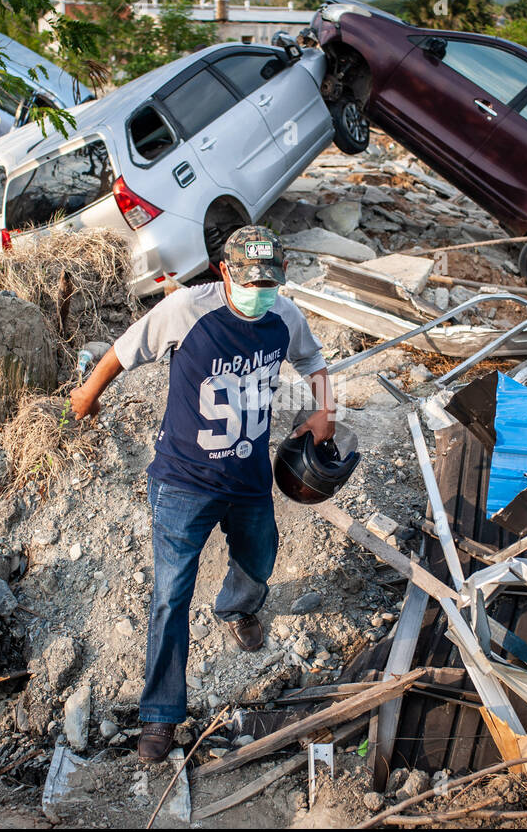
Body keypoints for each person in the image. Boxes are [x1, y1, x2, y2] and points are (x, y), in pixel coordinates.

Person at [69, 226, 335, 762]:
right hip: (182, 482)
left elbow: (313, 360)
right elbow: (123, 350)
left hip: (249, 478)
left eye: (271, 281)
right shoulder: (188, 310)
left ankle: (238, 608)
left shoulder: (284, 316)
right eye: (252, 281)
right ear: (225, 272)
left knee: (259, 556)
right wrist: (86, 395)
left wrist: (326, 410)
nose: (262, 290)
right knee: (170, 596)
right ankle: (160, 716)